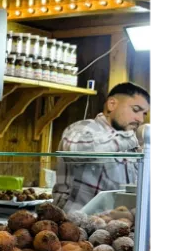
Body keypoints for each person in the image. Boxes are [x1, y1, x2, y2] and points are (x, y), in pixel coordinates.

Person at [53, 81, 151, 211]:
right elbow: (75, 152)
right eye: (136, 110)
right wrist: (135, 138)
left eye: (144, 114)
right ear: (112, 104)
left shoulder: (129, 141)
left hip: (117, 223)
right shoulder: (83, 128)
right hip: (76, 224)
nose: (140, 119)